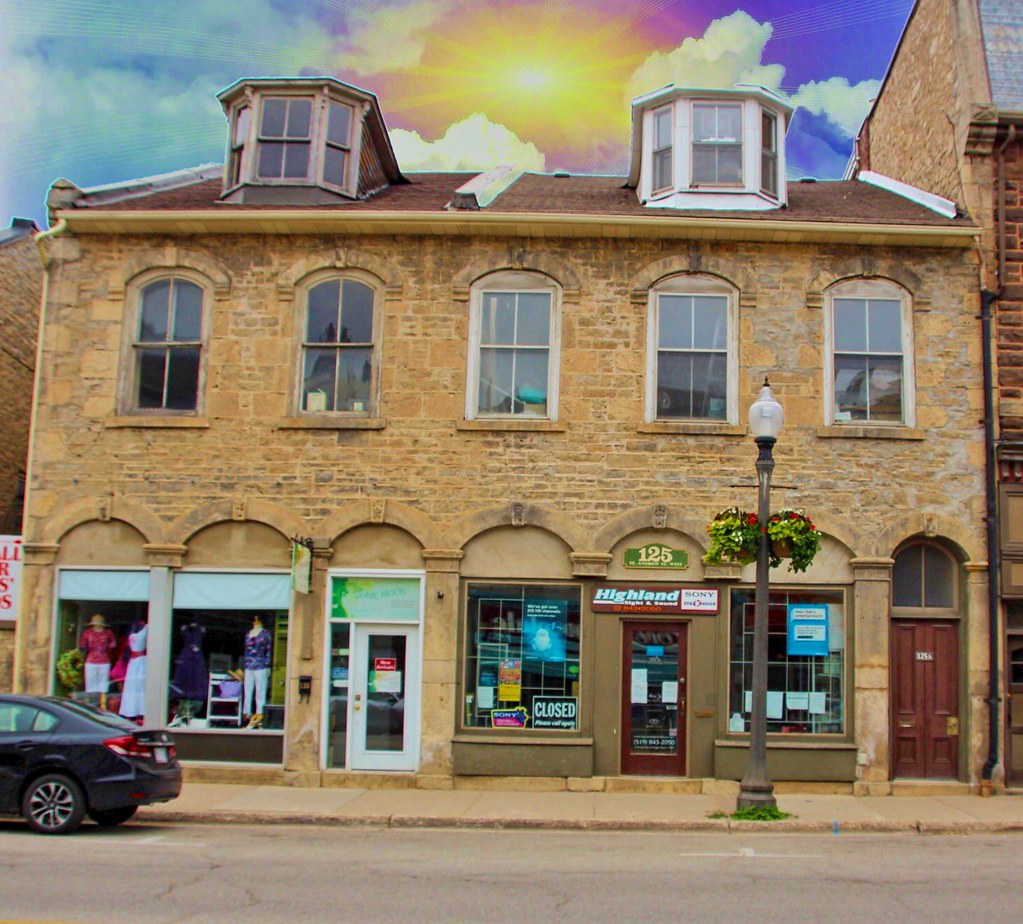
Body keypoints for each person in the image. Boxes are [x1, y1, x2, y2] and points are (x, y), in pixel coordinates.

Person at [170, 622, 208, 726]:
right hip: (187, 657)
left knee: (196, 678)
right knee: (185, 680)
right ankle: (183, 714)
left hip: (196, 658)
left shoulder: (200, 629)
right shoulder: (185, 628)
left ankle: (187, 714)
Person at [78, 614, 116, 707]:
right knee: (90, 683)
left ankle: (103, 705)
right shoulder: (87, 633)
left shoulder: (108, 633)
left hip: (104, 661)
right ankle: (89, 705)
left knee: (103, 684)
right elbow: (83, 646)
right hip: (91, 661)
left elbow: (112, 646)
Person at [243, 616, 272, 728]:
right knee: (248, 690)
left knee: (260, 690)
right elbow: (246, 650)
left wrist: (267, 664)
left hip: (261, 665)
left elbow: (268, 650)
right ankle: (247, 714)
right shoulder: (248, 633)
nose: (255, 620)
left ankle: (260, 716)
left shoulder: (266, 634)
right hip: (248, 665)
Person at [118, 620, 147, 720]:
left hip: (141, 661)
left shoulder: (146, 628)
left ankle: (141, 711)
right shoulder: (132, 628)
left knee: (141, 686)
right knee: (131, 687)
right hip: (133, 661)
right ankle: (130, 711)